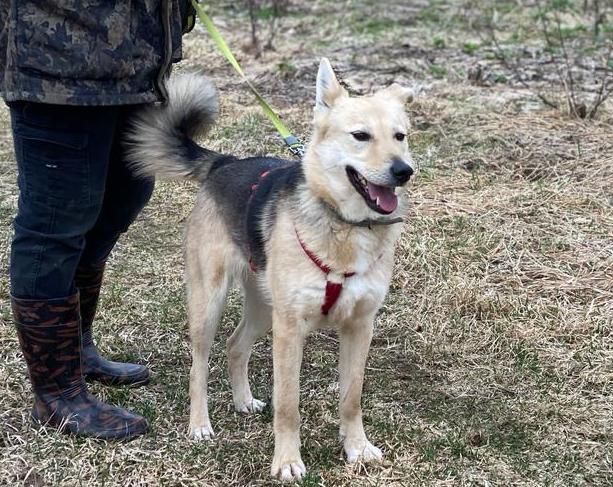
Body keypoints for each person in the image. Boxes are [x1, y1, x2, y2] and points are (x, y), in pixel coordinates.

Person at [0, 1, 192, 440]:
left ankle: (78, 348)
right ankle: (56, 393)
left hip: (135, 59)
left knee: (125, 196)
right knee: (56, 219)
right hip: (57, 59)